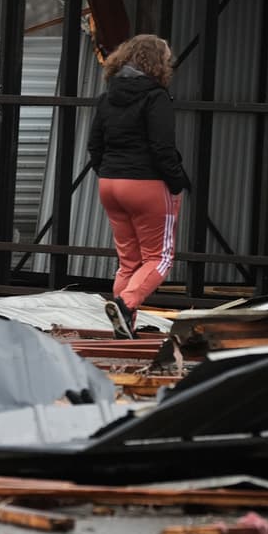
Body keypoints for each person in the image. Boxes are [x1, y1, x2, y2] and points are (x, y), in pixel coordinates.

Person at [87, 34, 190, 340]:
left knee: (129, 261)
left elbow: (95, 145)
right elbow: (162, 148)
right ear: (156, 62)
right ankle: (125, 303)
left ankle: (123, 326)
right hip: (147, 185)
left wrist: (108, 172)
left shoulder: (107, 97)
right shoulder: (155, 97)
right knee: (159, 258)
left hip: (110, 184)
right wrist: (177, 182)